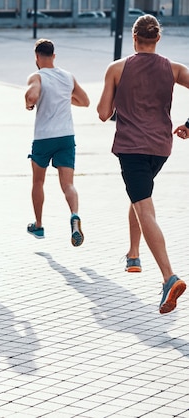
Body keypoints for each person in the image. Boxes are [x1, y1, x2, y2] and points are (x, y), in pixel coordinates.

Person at [97, 15, 189, 314]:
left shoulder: (117, 68)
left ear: (133, 38)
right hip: (161, 148)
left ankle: (168, 277)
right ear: (157, 39)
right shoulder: (173, 68)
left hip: (132, 148)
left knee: (145, 209)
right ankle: (133, 254)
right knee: (140, 198)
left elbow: (102, 112)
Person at [24, 39, 90, 246]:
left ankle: (39, 224)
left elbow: (32, 95)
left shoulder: (37, 76)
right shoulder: (68, 76)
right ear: (54, 56)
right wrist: (64, 97)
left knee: (38, 182)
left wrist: (29, 102)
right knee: (68, 184)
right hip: (66, 136)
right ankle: (74, 215)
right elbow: (85, 101)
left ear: (36, 57)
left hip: (44, 138)